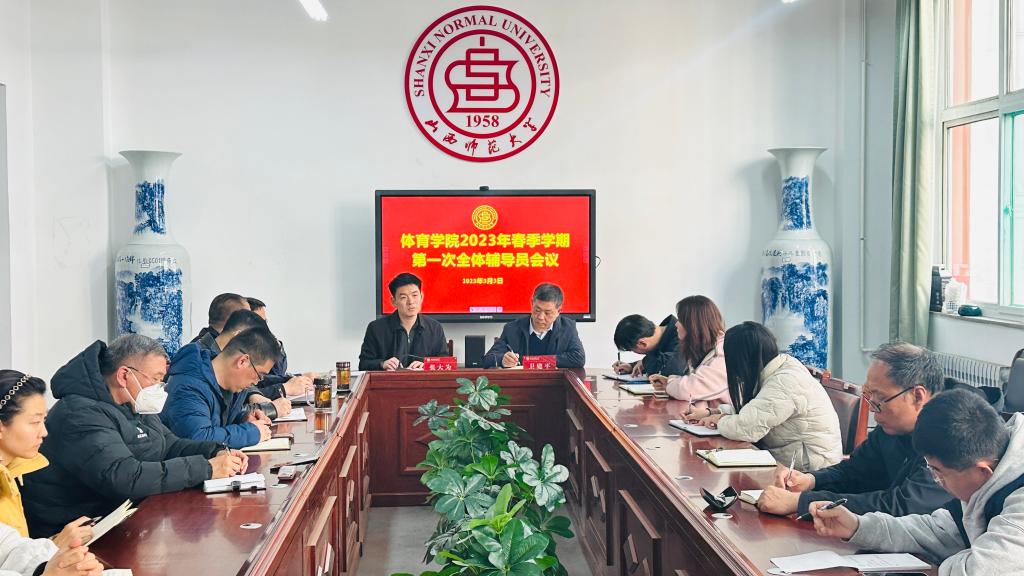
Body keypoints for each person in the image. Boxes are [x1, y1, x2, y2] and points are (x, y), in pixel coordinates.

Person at [21, 335, 246, 538]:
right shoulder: (79, 414)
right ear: (124, 375)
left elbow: (169, 445)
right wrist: (206, 468)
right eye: (155, 379)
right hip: (73, 533)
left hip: (118, 519)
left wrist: (216, 451)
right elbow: (125, 477)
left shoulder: (134, 404)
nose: (160, 389)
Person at [811, 390, 1024, 575]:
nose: (938, 482)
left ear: (982, 471)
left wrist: (952, 560)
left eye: (939, 473)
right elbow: (939, 532)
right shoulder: (991, 470)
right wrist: (858, 526)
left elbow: (976, 571)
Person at [756, 342, 951, 518]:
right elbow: (854, 471)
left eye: (880, 400)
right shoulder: (894, 428)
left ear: (918, 396)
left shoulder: (950, 436)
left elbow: (901, 507)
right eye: (869, 397)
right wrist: (810, 480)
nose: (873, 410)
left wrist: (802, 502)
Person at [692, 322, 843, 471]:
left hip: (811, 468)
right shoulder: (776, 368)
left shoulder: (785, 381)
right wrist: (712, 413)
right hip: (795, 457)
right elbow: (755, 409)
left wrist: (720, 420)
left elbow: (747, 428)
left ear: (744, 358)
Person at [161, 327, 281, 449]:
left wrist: (243, 419)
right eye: (259, 375)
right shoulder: (188, 386)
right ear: (242, 361)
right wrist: (251, 433)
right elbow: (199, 438)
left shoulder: (229, 385)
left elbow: (216, 422)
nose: (256, 382)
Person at [187, 309, 306, 408]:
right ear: (238, 335)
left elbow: (262, 376)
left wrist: (291, 378)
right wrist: (279, 393)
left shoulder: (216, 358)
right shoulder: (196, 362)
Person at [648, 296, 730, 410]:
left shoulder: (722, 353)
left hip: (720, 419)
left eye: (680, 320)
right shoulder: (702, 348)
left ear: (693, 324)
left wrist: (669, 383)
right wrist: (670, 382)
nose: (676, 324)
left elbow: (688, 390)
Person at [482, 283, 585, 369]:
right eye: (537, 310)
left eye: (547, 313)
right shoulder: (512, 328)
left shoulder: (567, 327)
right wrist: (502, 359)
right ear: (532, 303)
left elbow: (579, 358)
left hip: (555, 384)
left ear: (559, 311)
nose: (540, 317)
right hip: (521, 384)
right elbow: (487, 359)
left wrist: (534, 361)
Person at [359, 273, 447, 371]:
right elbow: (363, 364)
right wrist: (382, 364)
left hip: (423, 380)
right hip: (389, 380)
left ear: (421, 297)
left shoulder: (435, 328)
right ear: (394, 301)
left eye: (415, 295)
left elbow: (446, 362)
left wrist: (427, 365)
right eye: (403, 297)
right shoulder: (376, 328)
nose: (411, 302)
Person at [244, 298, 314, 400]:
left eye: (265, 322)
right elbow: (249, 391)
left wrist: (296, 378)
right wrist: (284, 388)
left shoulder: (258, 343)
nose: (265, 327)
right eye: (259, 322)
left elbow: (276, 373)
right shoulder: (235, 352)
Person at [611, 314, 685, 376]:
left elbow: (673, 368)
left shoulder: (682, 334)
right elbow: (662, 359)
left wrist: (645, 363)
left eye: (632, 350)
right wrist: (631, 366)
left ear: (642, 343)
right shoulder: (667, 336)